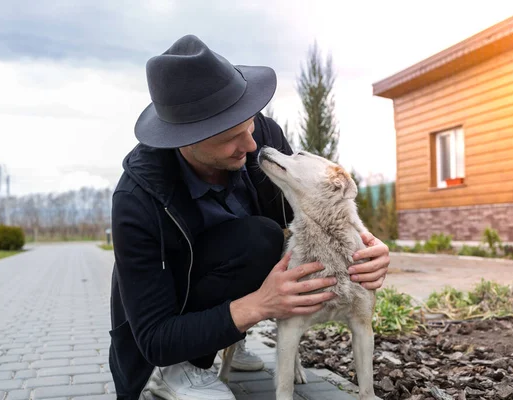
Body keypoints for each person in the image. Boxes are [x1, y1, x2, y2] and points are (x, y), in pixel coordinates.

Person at [108, 34, 390, 400]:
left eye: (249, 124)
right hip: (173, 315)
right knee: (257, 237)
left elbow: (313, 205)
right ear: (185, 140)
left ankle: (228, 337)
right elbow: (154, 338)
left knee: (264, 236)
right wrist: (258, 306)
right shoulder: (137, 199)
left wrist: (371, 247)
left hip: (235, 266)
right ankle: (182, 369)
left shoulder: (260, 134)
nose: (252, 145)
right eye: (231, 137)